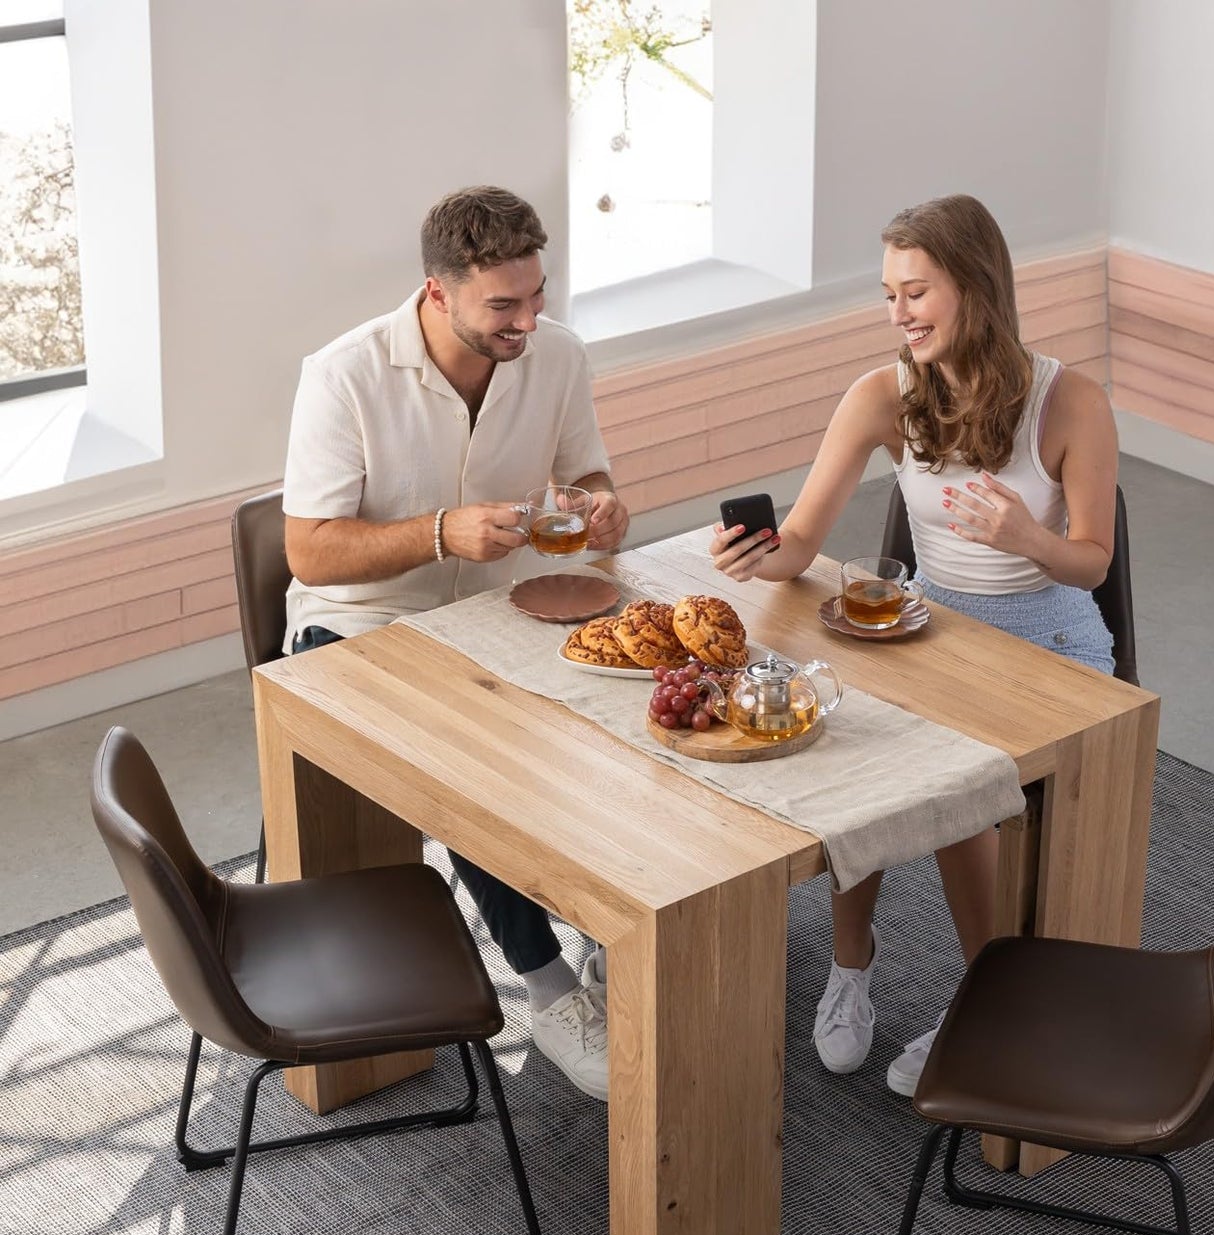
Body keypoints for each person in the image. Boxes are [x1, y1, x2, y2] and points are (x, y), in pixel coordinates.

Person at [709, 194, 1118, 1097]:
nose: (898, 314)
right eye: (889, 295)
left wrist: (1027, 539)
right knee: (853, 756)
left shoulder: (1071, 402)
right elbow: (800, 542)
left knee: (953, 793)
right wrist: (756, 554)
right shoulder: (880, 395)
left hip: (1050, 641)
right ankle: (850, 965)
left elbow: (1092, 561)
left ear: (975, 285)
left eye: (916, 292)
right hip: (935, 632)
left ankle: (987, 1008)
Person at [282, 185, 629, 1102]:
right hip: (355, 625)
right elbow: (309, 550)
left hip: (498, 610)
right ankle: (549, 988)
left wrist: (602, 505)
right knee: (466, 758)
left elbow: (587, 473)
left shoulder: (556, 354)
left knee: (627, 706)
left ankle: (615, 930)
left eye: (537, 295)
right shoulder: (344, 374)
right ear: (438, 292)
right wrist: (441, 532)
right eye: (503, 305)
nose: (529, 321)